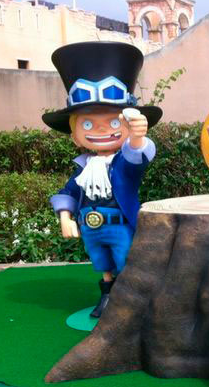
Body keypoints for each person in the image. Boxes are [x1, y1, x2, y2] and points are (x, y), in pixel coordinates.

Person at [43, 42, 162, 318]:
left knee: (124, 259)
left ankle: (130, 302)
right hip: (92, 227)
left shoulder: (122, 163)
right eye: (87, 124)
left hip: (120, 225)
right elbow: (69, 192)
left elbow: (137, 158)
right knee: (102, 262)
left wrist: (138, 137)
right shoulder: (84, 168)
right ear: (75, 135)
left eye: (114, 122)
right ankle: (107, 295)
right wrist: (65, 216)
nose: (100, 129)